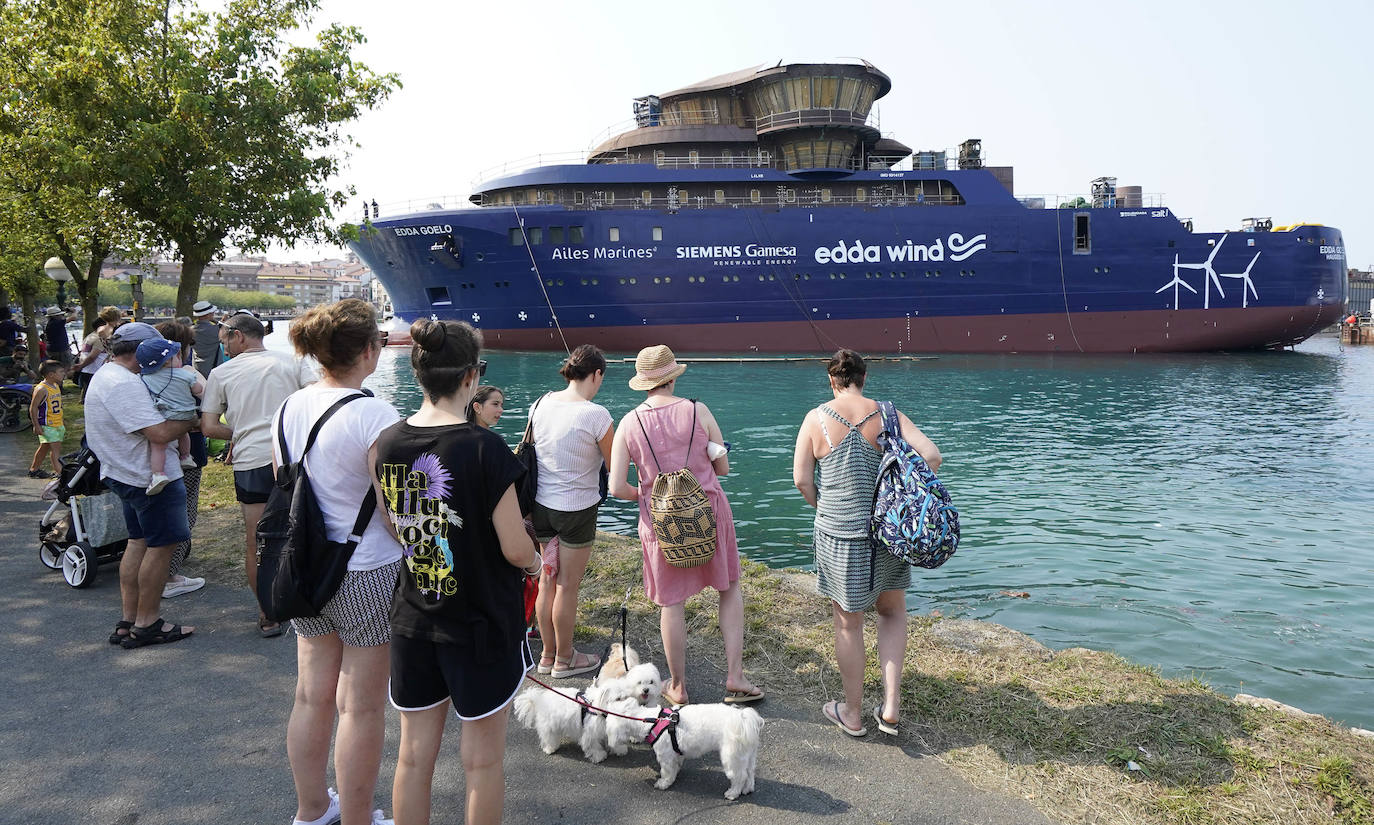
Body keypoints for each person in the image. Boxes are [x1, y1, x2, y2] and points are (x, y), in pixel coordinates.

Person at [373, 318, 538, 825]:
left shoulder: (387, 441)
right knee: (483, 761)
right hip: (480, 620)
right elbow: (514, 547)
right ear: (471, 377)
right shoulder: (484, 448)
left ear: (419, 371)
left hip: (415, 615)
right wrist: (537, 562)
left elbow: (394, 524)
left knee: (413, 756)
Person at [274, 298, 402, 825]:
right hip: (367, 569)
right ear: (369, 350)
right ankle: (356, 817)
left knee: (311, 696)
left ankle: (311, 810)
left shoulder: (291, 405)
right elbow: (398, 511)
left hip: (306, 563)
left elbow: (286, 482)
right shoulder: (375, 413)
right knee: (362, 706)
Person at [791, 349, 942, 737]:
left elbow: (802, 481)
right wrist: (901, 490)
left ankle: (853, 714)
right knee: (891, 613)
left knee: (849, 623)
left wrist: (823, 505)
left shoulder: (816, 418)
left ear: (831, 380)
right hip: (888, 533)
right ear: (864, 377)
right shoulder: (888, 414)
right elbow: (932, 456)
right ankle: (890, 708)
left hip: (840, 534)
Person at [608, 344, 761, 706]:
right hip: (707, 511)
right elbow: (722, 467)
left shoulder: (629, 423)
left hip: (662, 524)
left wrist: (645, 497)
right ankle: (735, 677)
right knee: (729, 589)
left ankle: (677, 686)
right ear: (673, 377)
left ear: (643, 383)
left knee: (672, 604)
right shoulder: (698, 411)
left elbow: (616, 487)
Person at [201, 309, 317, 637]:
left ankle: (268, 613)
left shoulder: (221, 374)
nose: (223, 348)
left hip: (251, 462)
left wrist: (236, 434)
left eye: (225, 341)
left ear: (238, 336)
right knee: (304, 530)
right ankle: (310, 600)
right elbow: (315, 399)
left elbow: (209, 426)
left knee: (258, 540)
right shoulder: (293, 362)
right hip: (293, 459)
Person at [84, 321, 196, 648]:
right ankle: (148, 623)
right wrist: (193, 419)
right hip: (149, 479)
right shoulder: (125, 385)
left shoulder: (106, 375)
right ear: (142, 353)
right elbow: (159, 433)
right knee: (161, 547)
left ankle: (129, 620)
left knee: (138, 542)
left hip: (124, 474)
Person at [530, 344, 613, 678]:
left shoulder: (541, 403)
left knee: (546, 581)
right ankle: (566, 659)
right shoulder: (596, 414)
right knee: (567, 585)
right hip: (577, 510)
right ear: (595, 375)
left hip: (541, 507)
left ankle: (547, 656)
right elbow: (615, 463)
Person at [156, 320, 207, 599]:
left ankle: (156, 569)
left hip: (155, 454)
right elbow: (210, 402)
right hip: (186, 454)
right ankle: (170, 575)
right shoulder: (187, 373)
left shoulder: (147, 376)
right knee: (185, 511)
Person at [136, 337, 203, 495]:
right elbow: (198, 389)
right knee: (183, 434)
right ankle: (186, 456)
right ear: (168, 360)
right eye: (177, 356)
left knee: (158, 446)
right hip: (188, 414)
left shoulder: (146, 378)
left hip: (165, 415)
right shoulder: (184, 374)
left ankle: (158, 474)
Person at [74, 306, 124, 400]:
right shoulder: (109, 331)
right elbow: (93, 355)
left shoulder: (96, 332)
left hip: (98, 366)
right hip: (100, 367)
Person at [27, 360, 65, 479]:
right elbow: (33, 408)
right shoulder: (41, 389)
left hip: (57, 423)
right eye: (61, 371)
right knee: (55, 449)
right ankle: (60, 473)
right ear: (51, 374)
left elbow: (57, 405)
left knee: (45, 446)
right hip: (48, 424)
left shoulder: (55, 386)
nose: (64, 374)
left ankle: (34, 469)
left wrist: (62, 418)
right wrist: (36, 425)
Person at [190, 300, 223, 378]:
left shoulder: (190, 330)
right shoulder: (216, 330)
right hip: (214, 368)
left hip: (197, 367)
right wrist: (217, 322)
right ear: (208, 315)